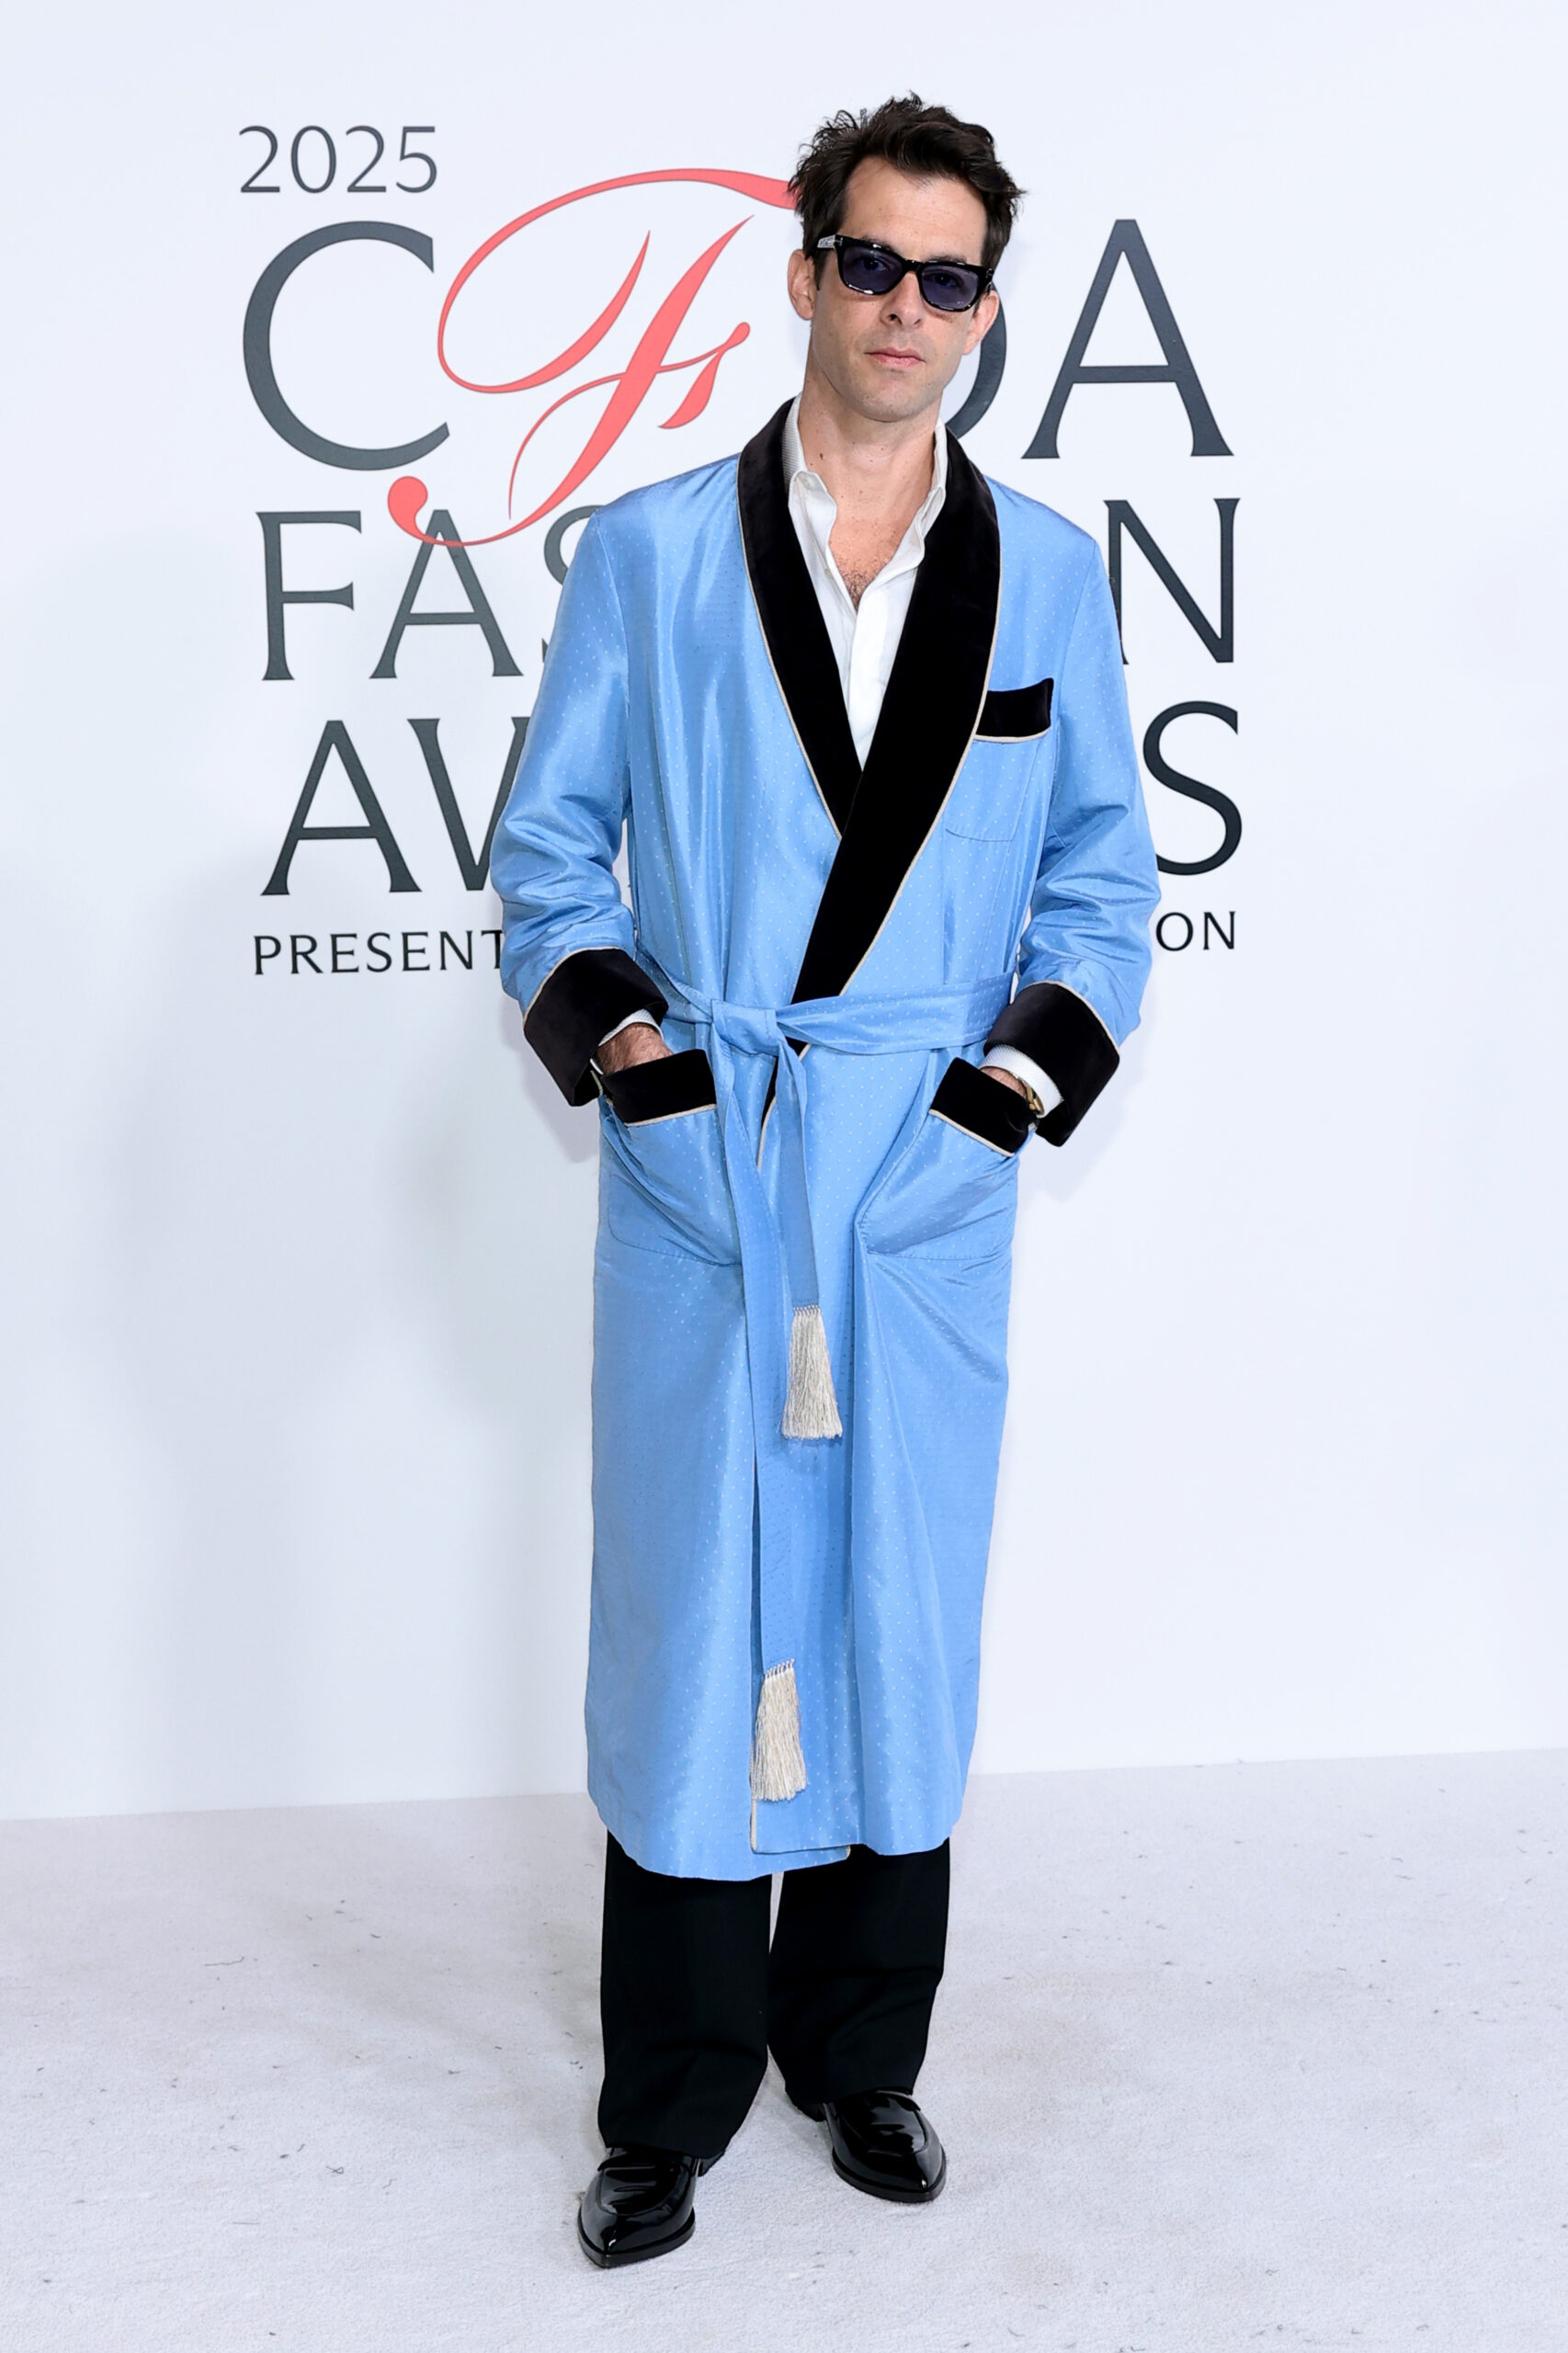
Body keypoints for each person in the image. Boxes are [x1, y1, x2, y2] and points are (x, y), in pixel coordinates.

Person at [492, 95, 1158, 2268]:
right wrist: (636, 1062)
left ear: (985, 305)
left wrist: (999, 1103)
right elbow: (544, 855)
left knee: (893, 1595)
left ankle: (861, 2049)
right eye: (868, 263)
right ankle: (668, 2096)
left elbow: (1098, 885)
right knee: (697, 1612)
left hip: (923, 1171)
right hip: (719, 1157)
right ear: (802, 274)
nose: (903, 308)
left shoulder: (1044, 574)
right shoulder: (659, 553)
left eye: (947, 276)